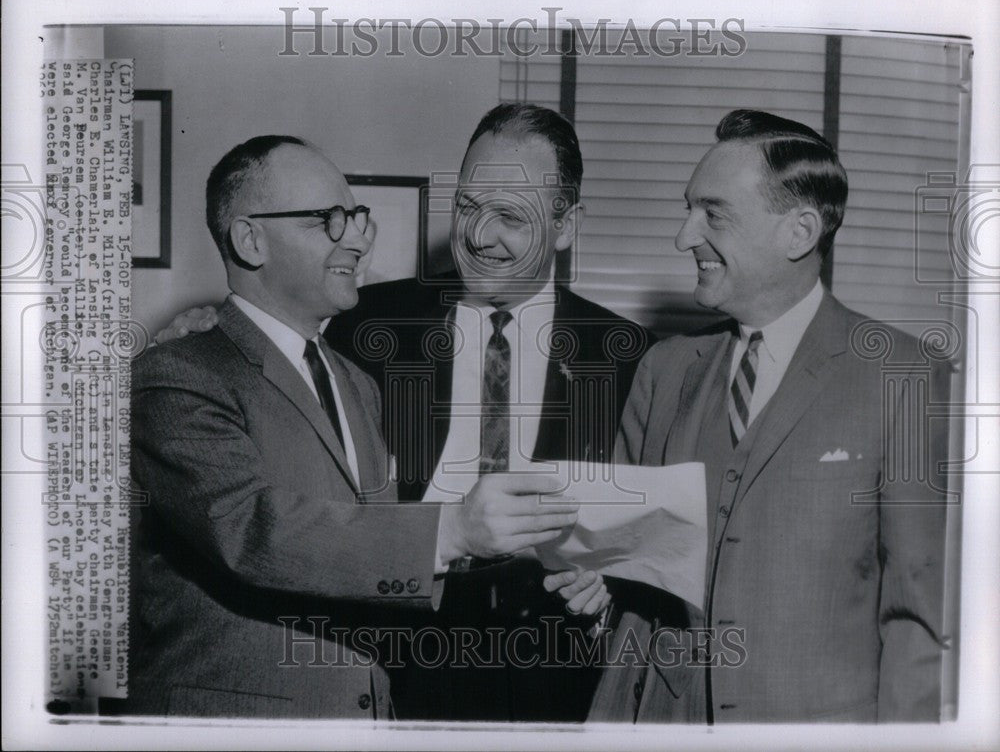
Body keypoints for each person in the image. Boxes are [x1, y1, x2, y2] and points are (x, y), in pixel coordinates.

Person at [156, 104, 654, 722]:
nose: (477, 235)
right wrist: (202, 327)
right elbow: (262, 357)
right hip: (389, 672)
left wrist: (608, 592)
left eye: (510, 217)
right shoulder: (362, 321)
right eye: (468, 207)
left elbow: (658, 546)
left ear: (566, 224)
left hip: (553, 682)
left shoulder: (636, 361)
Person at [587, 110, 951, 723]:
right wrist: (592, 584)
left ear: (799, 231)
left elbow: (921, 618)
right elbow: (627, 581)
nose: (684, 237)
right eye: (688, 210)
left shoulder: (905, 376)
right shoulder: (663, 370)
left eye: (713, 213)